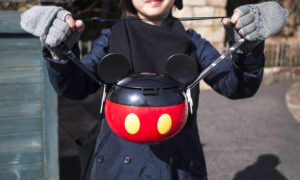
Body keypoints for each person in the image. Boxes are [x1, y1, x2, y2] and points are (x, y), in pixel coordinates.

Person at [20, 0, 288, 180]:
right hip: (115, 165)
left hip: (178, 166)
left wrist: (248, 50)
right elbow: (75, 85)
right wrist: (60, 51)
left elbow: (236, 85)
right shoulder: (110, 37)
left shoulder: (193, 42)